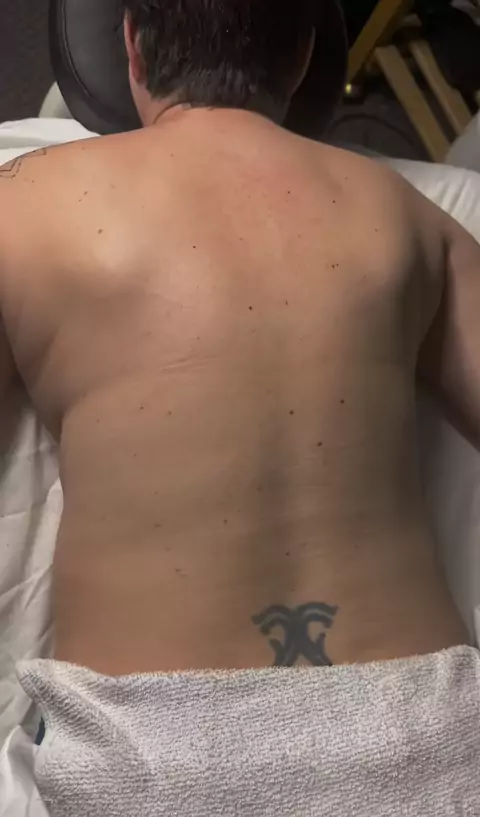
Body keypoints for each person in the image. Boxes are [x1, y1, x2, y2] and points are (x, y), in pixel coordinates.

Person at [0, 0, 475, 679]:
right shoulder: (416, 217)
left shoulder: (22, 205)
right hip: (420, 718)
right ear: (304, 60)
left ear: (130, 47)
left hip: (157, 729)